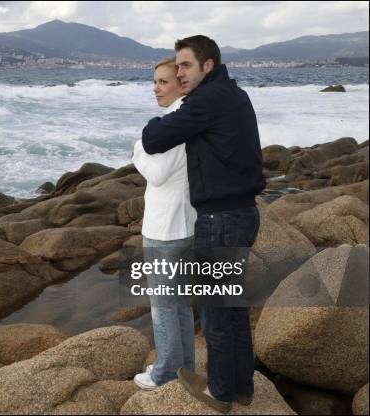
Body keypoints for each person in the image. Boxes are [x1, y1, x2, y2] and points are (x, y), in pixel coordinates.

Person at [141, 35, 265, 414]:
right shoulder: (233, 93)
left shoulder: (208, 99)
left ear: (207, 66)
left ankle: (219, 393)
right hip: (242, 211)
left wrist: (149, 126)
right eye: (176, 66)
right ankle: (241, 387)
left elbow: (154, 137)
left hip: (221, 219)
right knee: (233, 308)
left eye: (185, 66)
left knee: (216, 312)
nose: (179, 74)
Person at [131, 58, 197, 390]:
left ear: (180, 83)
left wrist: (138, 150)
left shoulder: (175, 123)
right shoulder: (182, 118)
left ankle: (166, 372)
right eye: (154, 81)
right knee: (179, 303)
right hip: (180, 223)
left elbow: (157, 174)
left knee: (162, 307)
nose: (155, 88)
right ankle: (185, 367)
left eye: (163, 82)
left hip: (167, 227)